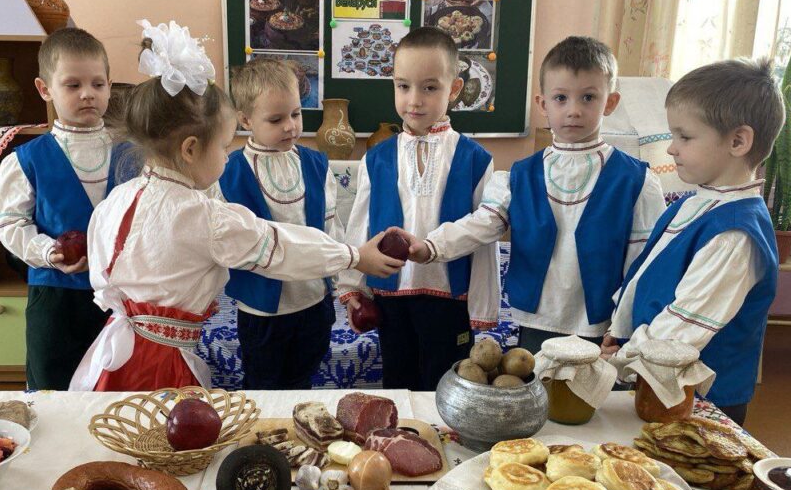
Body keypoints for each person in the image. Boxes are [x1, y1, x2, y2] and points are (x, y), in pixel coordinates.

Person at [69, 20, 403, 392]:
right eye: (222, 146)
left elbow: (103, 275)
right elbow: (276, 246)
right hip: (160, 365)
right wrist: (354, 256)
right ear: (191, 149)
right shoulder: (201, 215)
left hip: (116, 352)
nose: (227, 159)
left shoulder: (120, 197)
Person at [400, 36, 664, 354]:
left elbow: (645, 263)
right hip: (536, 320)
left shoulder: (637, 180)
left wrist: (626, 327)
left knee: (595, 403)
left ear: (610, 102)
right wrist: (431, 246)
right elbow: (482, 223)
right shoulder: (518, 176)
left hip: (603, 326)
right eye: (561, 98)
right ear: (543, 104)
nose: (574, 111)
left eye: (589, 98)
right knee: (537, 399)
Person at [604, 58, 785, 425]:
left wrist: (619, 364)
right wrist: (618, 333)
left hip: (697, 402)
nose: (671, 148)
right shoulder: (693, 203)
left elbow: (682, 329)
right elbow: (645, 277)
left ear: (738, 141)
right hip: (651, 374)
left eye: (684, 137)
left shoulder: (735, 234)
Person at [338, 27, 500, 391]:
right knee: (398, 380)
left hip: (449, 297)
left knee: (447, 383)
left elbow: (485, 233)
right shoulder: (376, 157)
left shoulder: (475, 159)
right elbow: (360, 222)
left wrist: (483, 305)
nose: (414, 99)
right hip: (391, 295)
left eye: (429, 87)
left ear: (454, 90)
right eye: (403, 86)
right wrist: (352, 287)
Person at [0, 26, 131, 389]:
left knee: (116, 388)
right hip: (56, 298)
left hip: (122, 299)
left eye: (98, 84)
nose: (88, 94)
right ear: (45, 89)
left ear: (109, 85)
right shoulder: (25, 160)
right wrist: (48, 251)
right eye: (73, 85)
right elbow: (12, 225)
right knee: (53, 390)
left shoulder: (132, 154)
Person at [211, 58, 340, 389]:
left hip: (314, 302)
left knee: (302, 380)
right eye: (275, 119)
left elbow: (331, 229)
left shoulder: (316, 164)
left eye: (296, 114)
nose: (290, 126)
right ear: (245, 119)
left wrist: (343, 283)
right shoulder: (227, 173)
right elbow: (221, 243)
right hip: (262, 310)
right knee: (264, 385)